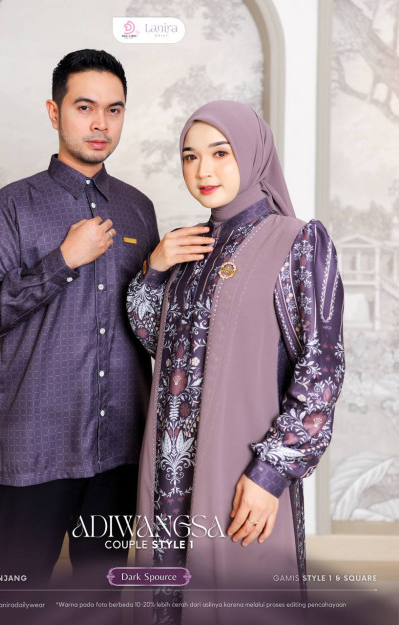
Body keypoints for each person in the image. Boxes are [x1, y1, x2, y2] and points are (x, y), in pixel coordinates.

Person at [127, 101, 344, 625]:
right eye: (190, 156)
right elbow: (159, 341)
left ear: (252, 153)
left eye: (220, 153)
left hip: (239, 466)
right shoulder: (188, 247)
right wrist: (155, 269)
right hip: (169, 472)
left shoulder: (298, 241)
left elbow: (321, 370)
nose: (203, 170)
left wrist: (271, 473)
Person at [0, 49, 159, 592]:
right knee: (15, 599)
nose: (101, 124)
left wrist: (162, 275)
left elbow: (148, 323)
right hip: (37, 449)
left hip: (119, 449)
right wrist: (63, 261)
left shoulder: (139, 209)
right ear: (55, 112)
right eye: (84, 107)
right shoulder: (13, 205)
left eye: (114, 110)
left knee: (101, 601)